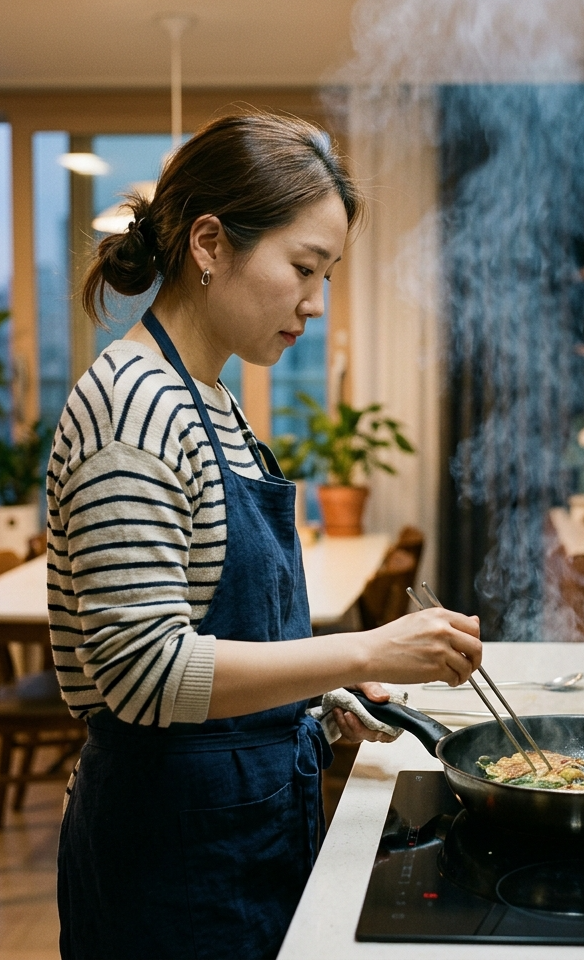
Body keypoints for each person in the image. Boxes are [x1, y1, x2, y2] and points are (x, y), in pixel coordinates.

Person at [46, 112, 482, 960]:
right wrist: (363, 652)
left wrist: (315, 713)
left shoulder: (215, 401)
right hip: (168, 866)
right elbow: (143, 673)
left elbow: (222, 647)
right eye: (303, 269)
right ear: (210, 244)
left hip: (242, 833)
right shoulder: (133, 405)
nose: (315, 305)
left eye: (328, 274)